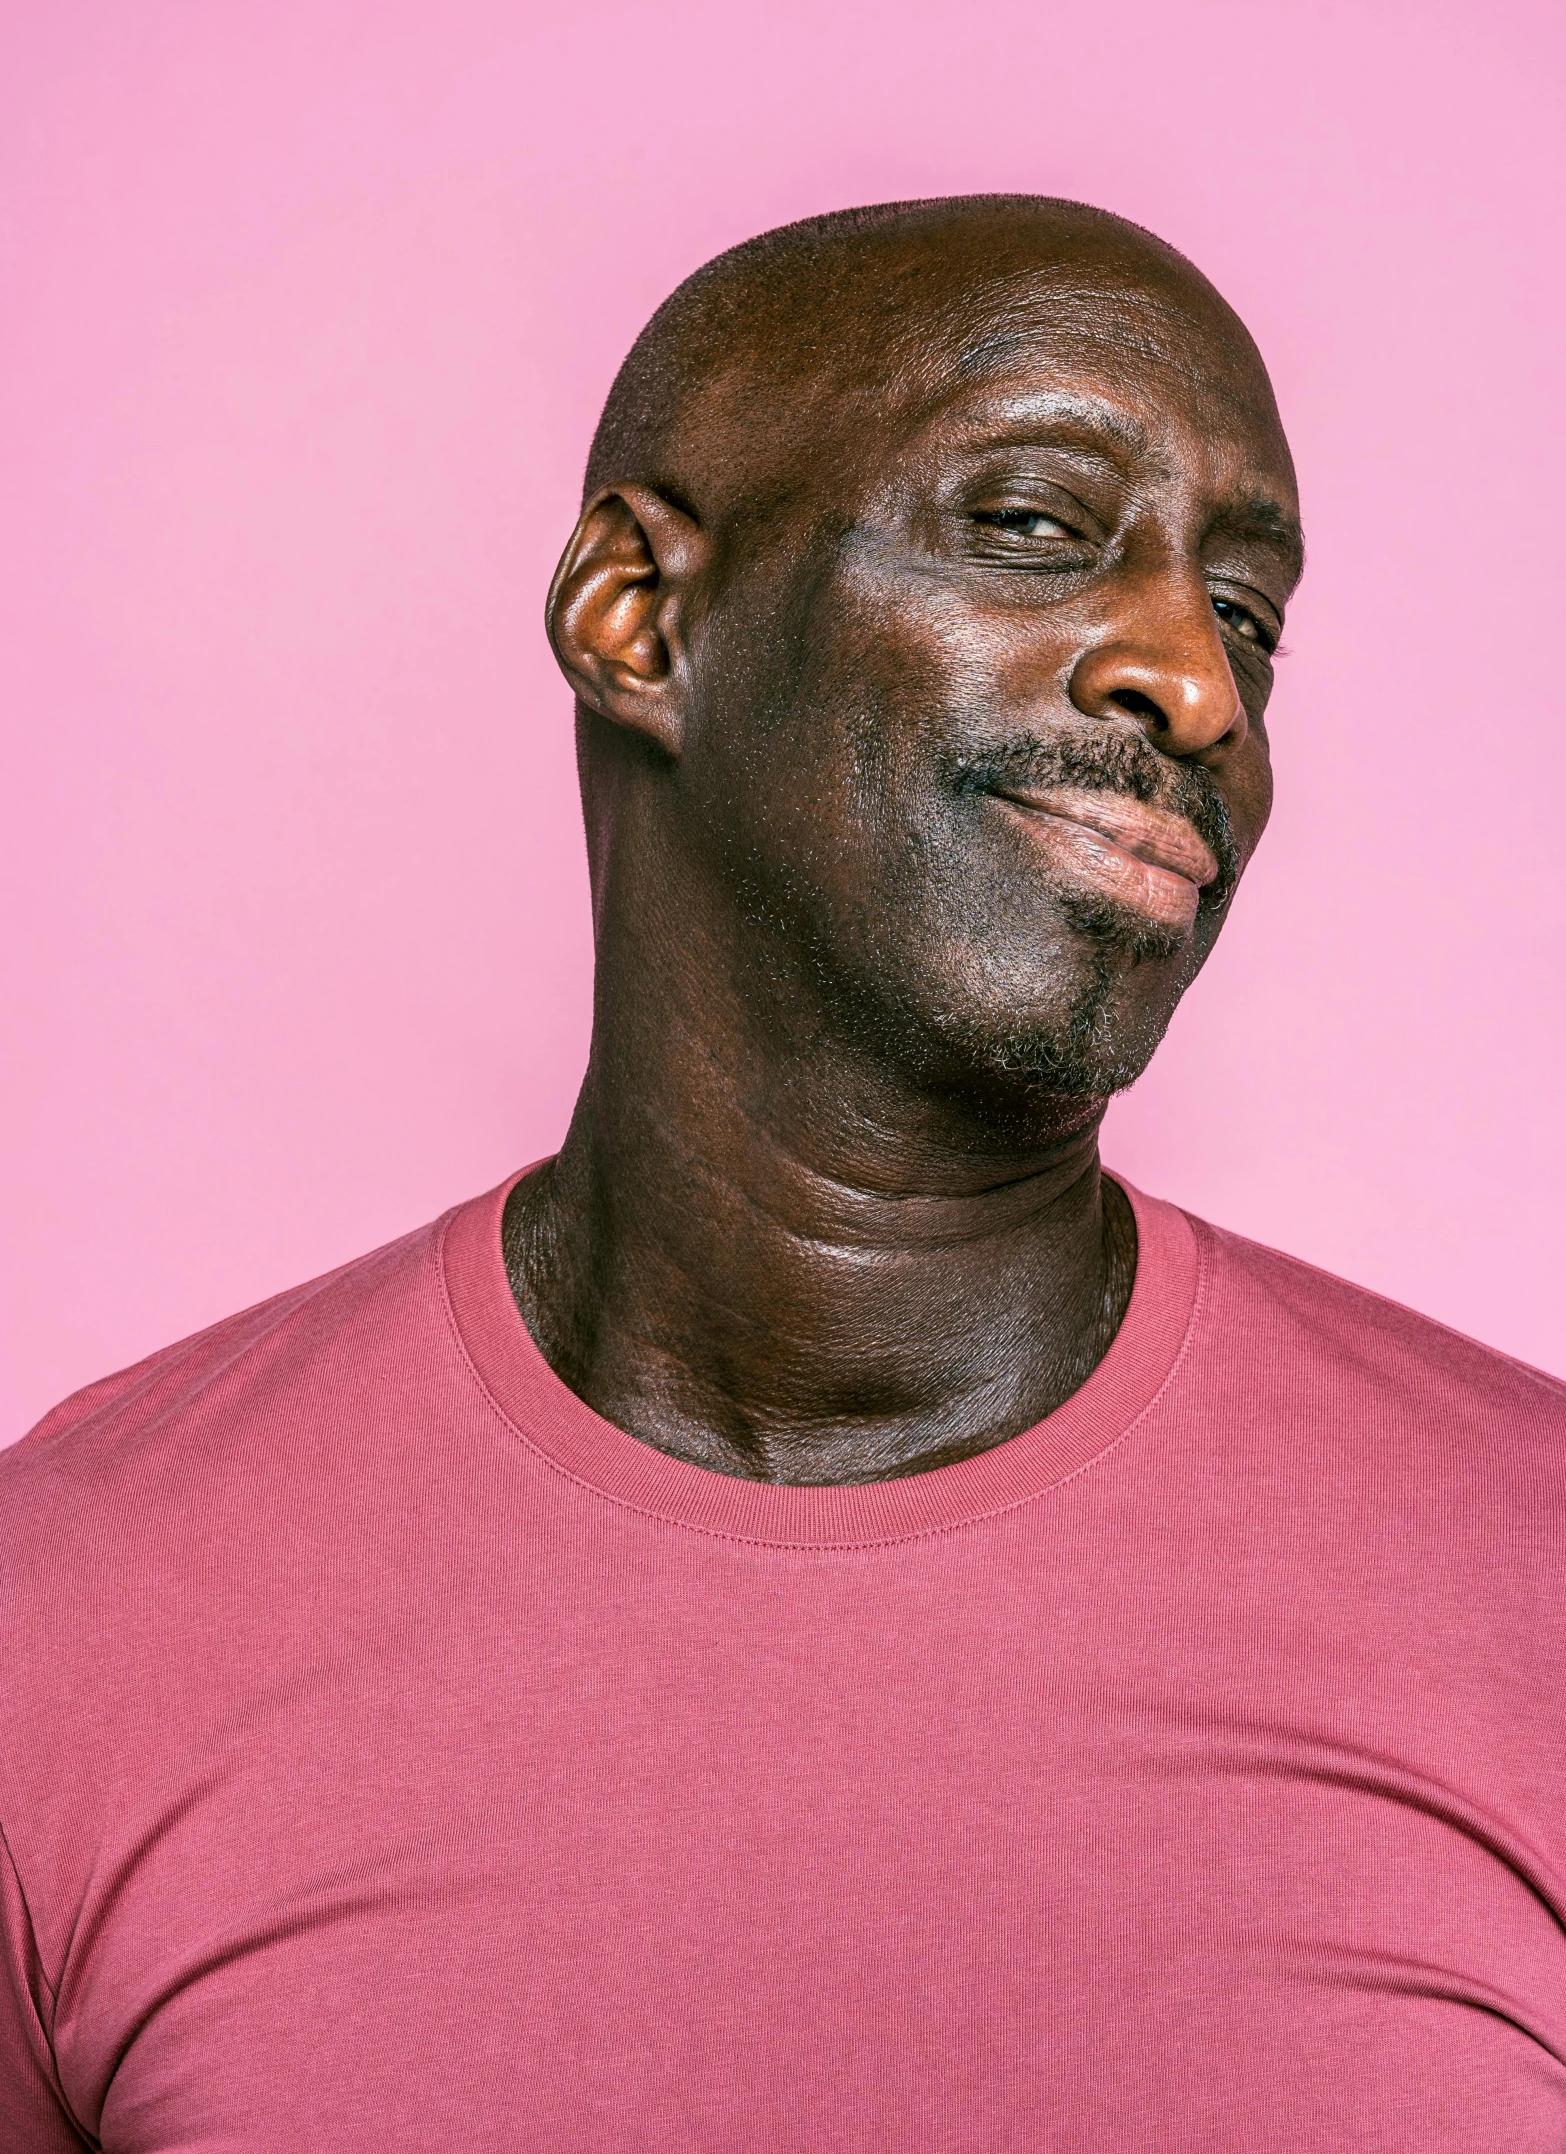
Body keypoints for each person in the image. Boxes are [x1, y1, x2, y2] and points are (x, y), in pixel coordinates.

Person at [2, 196, 1562, 2151]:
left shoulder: (1538, 1574)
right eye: (1032, 527)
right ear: (639, 620)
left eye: (1247, 614)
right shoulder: (69, 1612)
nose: (1199, 684)